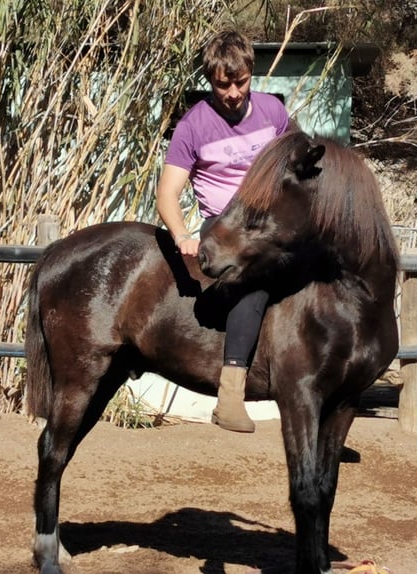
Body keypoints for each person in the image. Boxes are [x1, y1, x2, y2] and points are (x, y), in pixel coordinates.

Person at [156, 30, 295, 433]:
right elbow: (167, 192)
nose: (233, 92)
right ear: (209, 79)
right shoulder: (193, 126)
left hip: (270, 222)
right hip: (224, 226)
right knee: (253, 278)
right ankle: (231, 394)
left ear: (251, 73)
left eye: (240, 82)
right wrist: (183, 233)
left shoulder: (274, 113)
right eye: (222, 84)